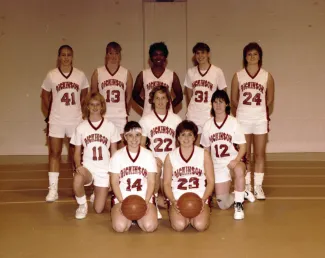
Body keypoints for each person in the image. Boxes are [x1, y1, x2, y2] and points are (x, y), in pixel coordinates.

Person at [40, 45, 89, 202]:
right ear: (59, 57)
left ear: (72, 56)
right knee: (54, 153)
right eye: (63, 55)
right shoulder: (52, 75)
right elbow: (45, 96)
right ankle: (53, 190)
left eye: (69, 55)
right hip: (57, 120)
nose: (66, 57)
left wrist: (80, 110)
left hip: (75, 120)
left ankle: (77, 188)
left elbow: (85, 94)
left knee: (76, 155)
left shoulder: (80, 75)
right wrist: (50, 115)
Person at [201, 90, 254, 220]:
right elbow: (206, 150)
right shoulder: (208, 125)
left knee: (239, 170)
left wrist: (236, 160)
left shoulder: (234, 122)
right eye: (215, 102)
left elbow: (243, 146)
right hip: (217, 165)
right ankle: (242, 193)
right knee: (223, 204)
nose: (218, 105)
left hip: (232, 162)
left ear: (226, 104)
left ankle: (239, 204)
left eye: (221, 102)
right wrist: (208, 167)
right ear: (211, 104)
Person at [231, 42, 275, 200]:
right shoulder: (238, 76)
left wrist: (258, 112)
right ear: (245, 57)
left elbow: (269, 100)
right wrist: (244, 111)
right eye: (249, 54)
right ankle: (247, 185)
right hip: (243, 119)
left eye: (255, 54)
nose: (252, 57)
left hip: (259, 119)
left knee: (259, 154)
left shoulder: (267, 76)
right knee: (245, 155)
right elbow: (234, 100)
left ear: (260, 57)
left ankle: (258, 186)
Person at [70, 93, 121, 219]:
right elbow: (76, 152)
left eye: (97, 104)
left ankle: (96, 193)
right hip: (88, 168)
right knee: (77, 179)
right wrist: (78, 166)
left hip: (104, 169)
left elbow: (114, 152)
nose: (94, 107)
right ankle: (82, 205)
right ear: (87, 107)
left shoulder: (110, 126)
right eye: (91, 105)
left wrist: (112, 173)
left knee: (98, 209)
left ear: (102, 106)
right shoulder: (81, 127)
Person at [139, 86, 182, 218]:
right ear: (152, 100)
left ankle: (164, 199)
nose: (160, 101)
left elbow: (182, 144)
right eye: (157, 98)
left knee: (175, 197)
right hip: (155, 162)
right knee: (155, 166)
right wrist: (152, 157)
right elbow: (141, 145)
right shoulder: (145, 120)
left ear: (168, 100)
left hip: (171, 162)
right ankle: (154, 203)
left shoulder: (176, 119)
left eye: (163, 98)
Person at [163, 120, 214, 231]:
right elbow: (166, 183)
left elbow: (210, 182)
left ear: (195, 137)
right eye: (183, 135)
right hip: (178, 198)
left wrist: (203, 199)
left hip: (199, 197)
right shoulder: (170, 156)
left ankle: (203, 210)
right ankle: (175, 212)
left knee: (200, 226)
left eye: (190, 135)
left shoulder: (204, 154)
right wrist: (172, 201)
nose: (186, 138)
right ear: (178, 138)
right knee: (179, 226)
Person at [109, 121, 158, 233]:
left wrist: (145, 202)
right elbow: (114, 182)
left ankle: (138, 218)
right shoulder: (117, 156)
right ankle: (129, 218)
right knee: (120, 227)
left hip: (144, 198)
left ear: (141, 136)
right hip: (123, 198)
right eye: (130, 135)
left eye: (137, 135)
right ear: (125, 137)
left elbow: (151, 181)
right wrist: (122, 202)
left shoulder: (148, 155)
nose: (134, 139)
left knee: (149, 227)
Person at [90, 42, 133, 147]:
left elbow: (129, 97)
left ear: (120, 55)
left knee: (122, 149)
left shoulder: (126, 73)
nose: (113, 56)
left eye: (116, 53)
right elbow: (93, 97)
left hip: (120, 116)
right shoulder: (98, 72)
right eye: (110, 53)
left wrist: (125, 112)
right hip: (104, 115)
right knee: (104, 147)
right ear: (106, 55)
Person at [184, 42, 227, 145]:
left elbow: (223, 94)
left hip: (209, 113)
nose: (200, 56)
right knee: (194, 145)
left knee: (211, 143)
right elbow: (189, 95)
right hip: (194, 113)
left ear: (208, 54)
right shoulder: (190, 72)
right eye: (197, 53)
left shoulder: (217, 71)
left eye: (203, 52)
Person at [132, 42, 183, 117]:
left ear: (165, 57)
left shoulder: (172, 74)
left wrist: (169, 106)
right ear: (151, 57)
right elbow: (135, 95)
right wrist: (147, 105)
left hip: (167, 114)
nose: (158, 57)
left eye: (161, 55)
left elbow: (179, 96)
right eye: (155, 55)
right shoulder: (143, 74)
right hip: (148, 115)